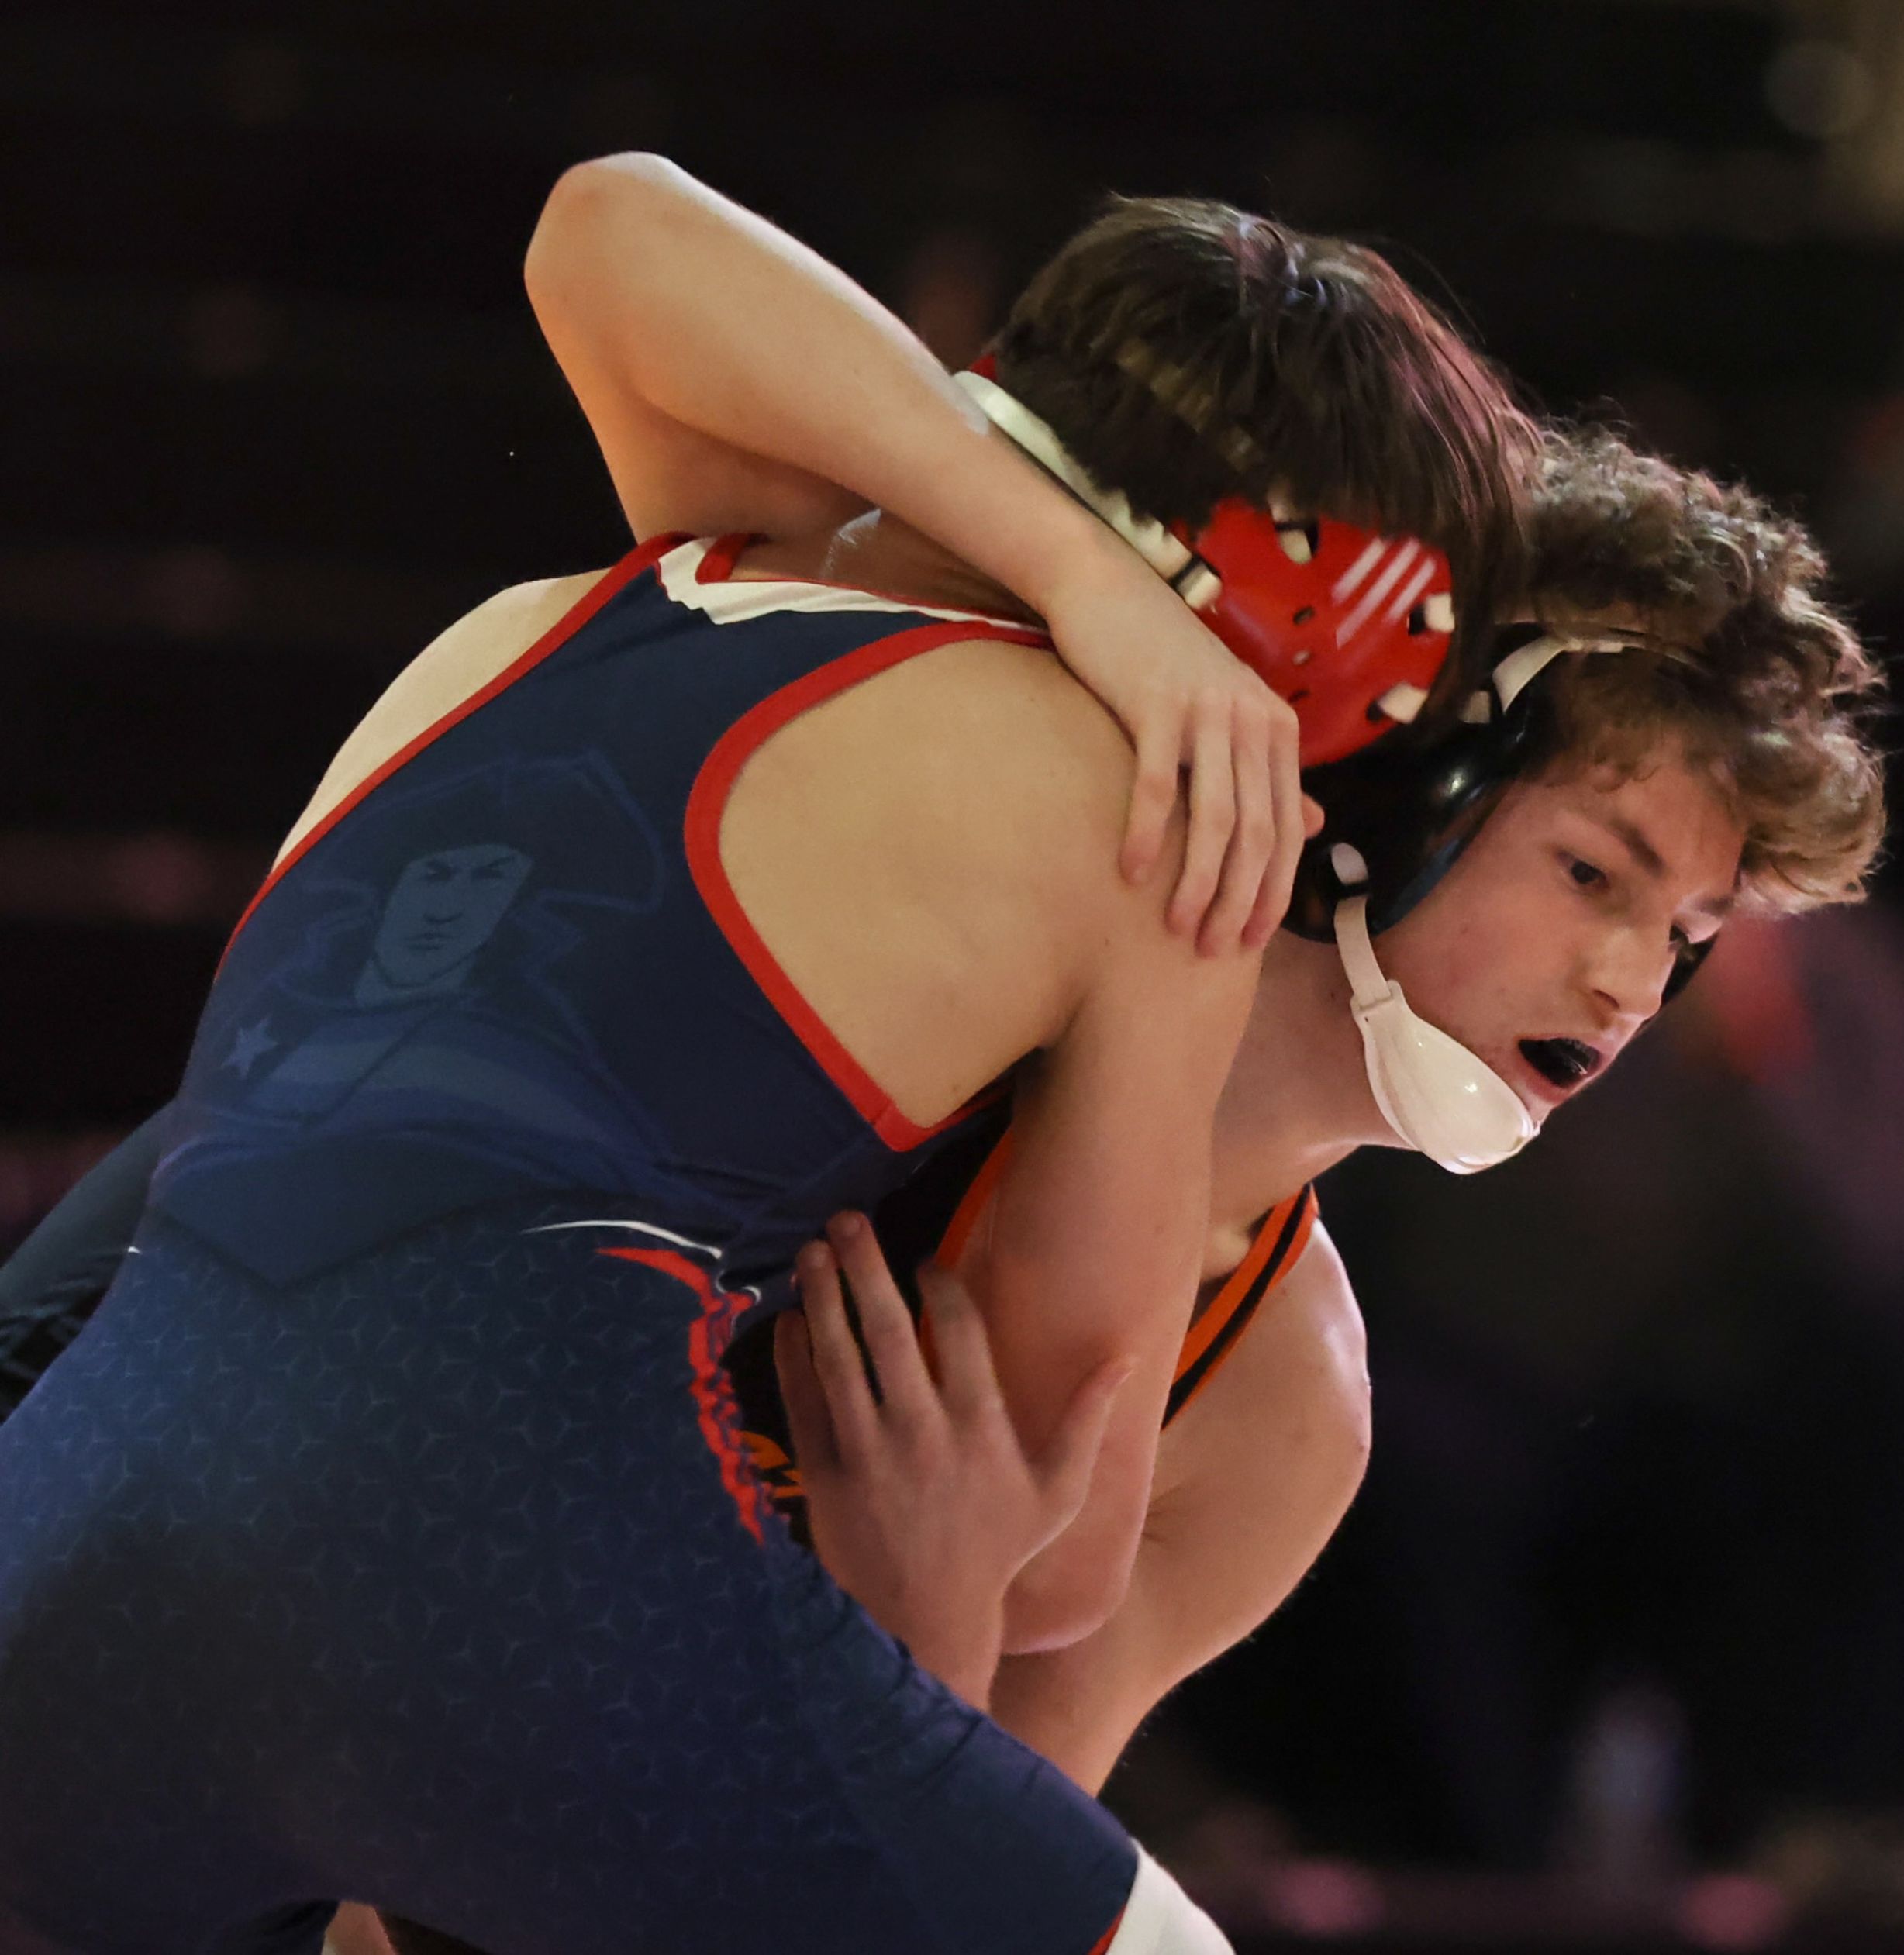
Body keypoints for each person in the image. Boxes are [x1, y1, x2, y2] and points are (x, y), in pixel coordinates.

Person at [0, 156, 1536, 1955]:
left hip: (66, 1530)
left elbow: (607, 219)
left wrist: (1073, 569)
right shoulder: (1160, 819)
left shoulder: (568, 607)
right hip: (511, 1569)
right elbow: (1051, 1528)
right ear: (1316, 655)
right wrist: (929, 1597)